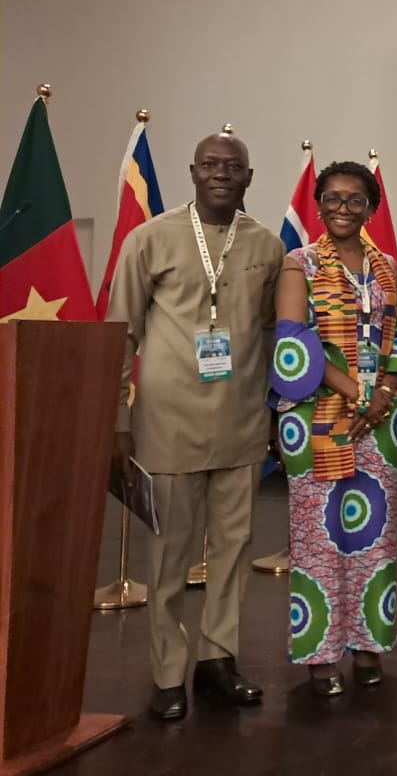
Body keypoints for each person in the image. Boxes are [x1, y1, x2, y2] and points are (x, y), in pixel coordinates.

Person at [108, 131, 284, 721]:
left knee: (232, 549)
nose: (221, 174)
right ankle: (167, 673)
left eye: (233, 166)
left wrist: (272, 412)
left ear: (249, 177)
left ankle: (217, 660)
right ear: (192, 172)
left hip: (241, 421)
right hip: (166, 422)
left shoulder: (266, 244)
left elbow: (270, 334)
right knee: (169, 554)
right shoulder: (150, 238)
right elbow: (120, 334)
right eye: (210, 164)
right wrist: (117, 420)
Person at [269, 161, 397, 696]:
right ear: (319, 205)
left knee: (375, 536)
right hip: (316, 418)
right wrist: (358, 393)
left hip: (382, 420)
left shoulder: (388, 266)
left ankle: (369, 645)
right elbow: (293, 340)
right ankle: (322, 654)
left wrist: (383, 395)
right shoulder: (299, 264)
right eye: (332, 198)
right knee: (319, 539)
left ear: (371, 208)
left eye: (355, 200)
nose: (342, 209)